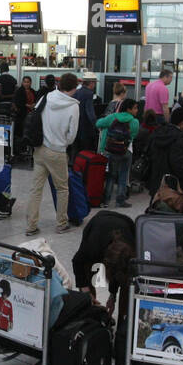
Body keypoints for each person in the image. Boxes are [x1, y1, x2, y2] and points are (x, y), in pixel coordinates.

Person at [25, 72, 80, 237]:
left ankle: (31, 225)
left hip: (40, 149)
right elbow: (72, 135)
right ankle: (61, 223)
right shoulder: (73, 106)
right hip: (57, 152)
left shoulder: (46, 98)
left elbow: (35, 118)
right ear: (74, 88)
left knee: (36, 189)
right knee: (62, 189)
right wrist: (62, 140)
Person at [71, 210, 135, 315]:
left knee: (127, 283)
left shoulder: (132, 249)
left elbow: (119, 275)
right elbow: (77, 262)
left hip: (125, 222)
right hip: (98, 222)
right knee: (86, 271)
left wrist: (112, 296)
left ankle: (123, 322)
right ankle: (89, 310)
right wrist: (86, 292)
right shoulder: (93, 247)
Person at [96, 97, 140, 208]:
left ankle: (106, 201)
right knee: (123, 175)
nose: (137, 111)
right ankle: (120, 201)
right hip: (126, 151)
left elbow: (98, 124)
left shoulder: (112, 117)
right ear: (129, 109)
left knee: (111, 175)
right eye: (135, 108)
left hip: (112, 151)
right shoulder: (135, 122)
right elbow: (133, 136)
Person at [146, 107, 183, 197]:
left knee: (155, 207)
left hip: (156, 181)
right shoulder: (179, 138)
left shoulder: (158, 132)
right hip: (174, 186)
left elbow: (149, 154)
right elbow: (177, 162)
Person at [72, 72, 100, 154]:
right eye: (94, 83)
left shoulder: (76, 92)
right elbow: (90, 113)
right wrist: (97, 125)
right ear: (91, 83)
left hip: (76, 127)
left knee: (76, 152)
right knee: (85, 154)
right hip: (86, 129)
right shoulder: (89, 93)